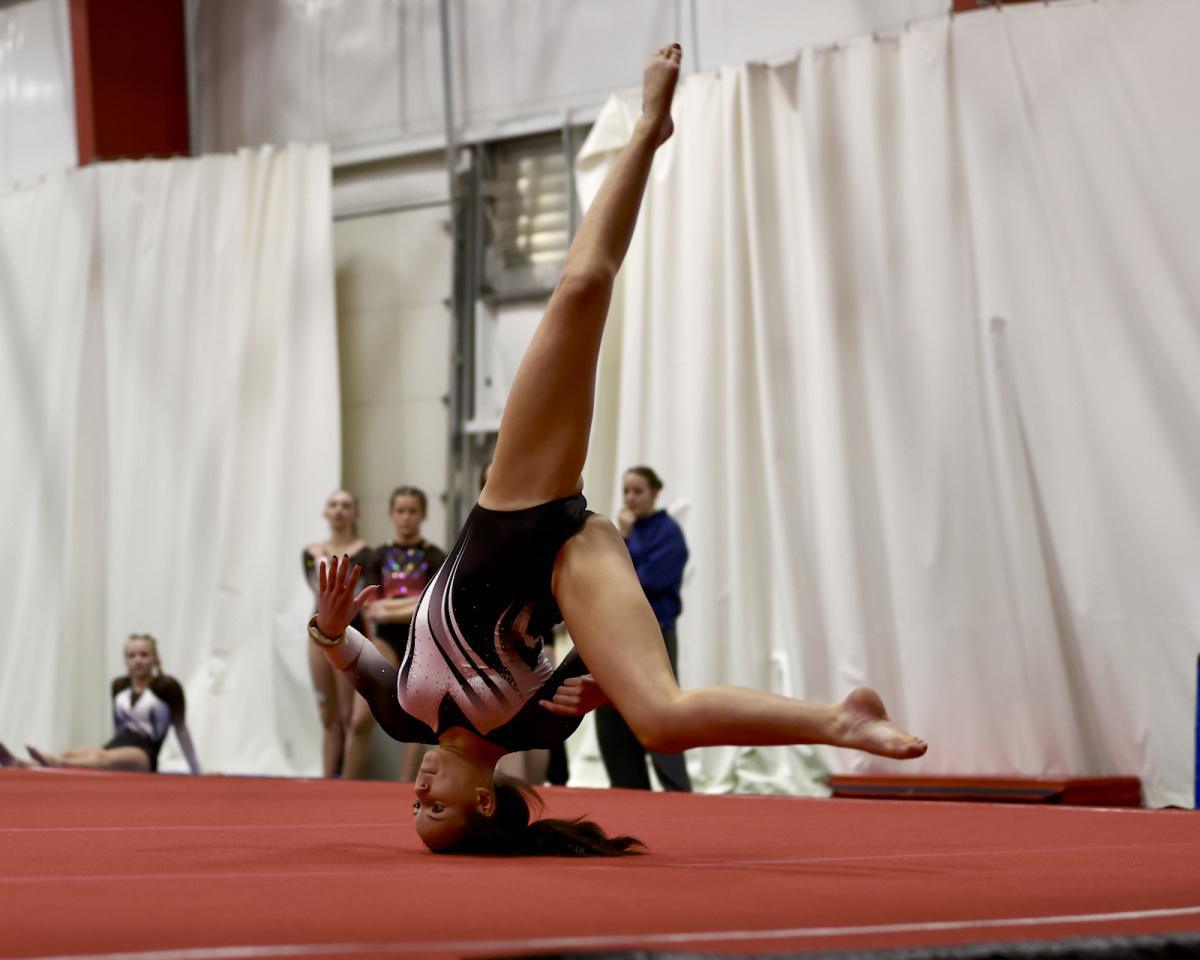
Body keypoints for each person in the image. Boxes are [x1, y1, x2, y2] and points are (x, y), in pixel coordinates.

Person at [308, 43, 926, 858]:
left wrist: (327, 625)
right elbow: (596, 679)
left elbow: (349, 651)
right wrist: (604, 674)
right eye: (436, 810)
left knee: (581, 289)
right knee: (659, 713)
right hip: (570, 558)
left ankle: (646, 132)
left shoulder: (403, 713)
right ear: (487, 804)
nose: (417, 794)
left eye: (414, 808)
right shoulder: (528, 717)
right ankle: (838, 720)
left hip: (517, 503)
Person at [596, 465, 691, 791]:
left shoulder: (668, 532)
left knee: (661, 712)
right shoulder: (620, 532)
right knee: (611, 715)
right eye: (626, 491)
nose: (631, 498)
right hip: (618, 636)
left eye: (638, 491)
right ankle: (628, 788)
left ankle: (677, 791)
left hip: (656, 635)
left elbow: (640, 581)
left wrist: (626, 539)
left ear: (654, 493)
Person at [1, 634, 200, 774]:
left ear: (155, 658)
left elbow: (181, 729)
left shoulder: (167, 687)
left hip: (144, 753)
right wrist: (111, 747)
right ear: (125, 659)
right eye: (132, 655)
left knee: (100, 758)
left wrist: (196, 770)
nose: (138, 661)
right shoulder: (119, 685)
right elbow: (118, 726)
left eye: (144, 655)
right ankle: (20, 763)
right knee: (76, 752)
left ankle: (53, 762)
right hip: (118, 745)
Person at [365, 486, 447, 780]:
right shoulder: (377, 556)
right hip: (386, 637)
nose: (406, 517)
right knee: (362, 714)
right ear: (391, 514)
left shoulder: (436, 556)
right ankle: (343, 779)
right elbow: (372, 609)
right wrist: (412, 604)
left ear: (423, 515)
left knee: (417, 712)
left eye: (413, 511)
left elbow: (431, 605)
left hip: (420, 641)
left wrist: (394, 606)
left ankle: (405, 781)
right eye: (401, 511)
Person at [303, 489, 374, 778]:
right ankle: (326, 777)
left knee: (348, 715)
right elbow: (319, 589)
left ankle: (348, 781)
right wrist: (325, 557)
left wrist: (329, 560)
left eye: (346, 505)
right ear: (325, 512)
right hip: (318, 631)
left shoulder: (367, 553)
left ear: (355, 513)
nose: (339, 510)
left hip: (349, 633)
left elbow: (353, 594)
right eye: (333, 505)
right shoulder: (310, 553)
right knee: (328, 716)